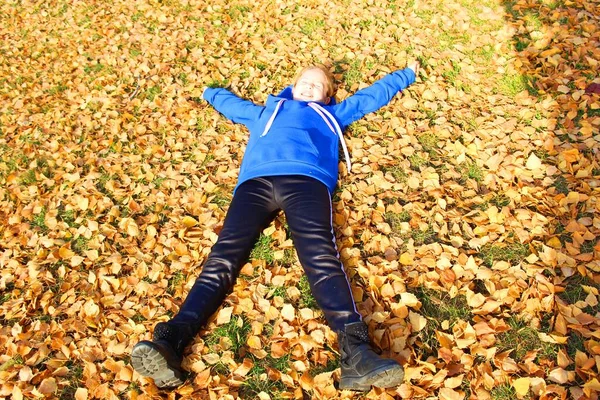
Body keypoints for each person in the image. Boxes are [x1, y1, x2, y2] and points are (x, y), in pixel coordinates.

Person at [131, 60, 420, 391]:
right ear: (292, 87)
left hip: (306, 182)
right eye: (304, 82)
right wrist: (210, 92)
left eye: (318, 85)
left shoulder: (332, 115)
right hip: (255, 184)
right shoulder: (265, 112)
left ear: (328, 96)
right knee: (224, 256)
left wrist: (405, 74)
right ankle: (172, 339)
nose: (309, 87)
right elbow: (233, 106)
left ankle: (356, 352)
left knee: (321, 257)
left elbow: (370, 96)